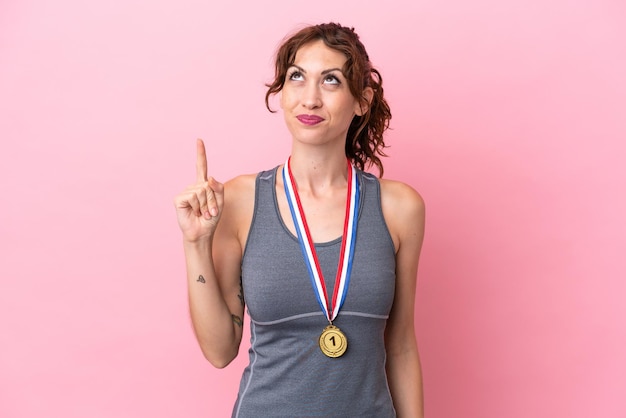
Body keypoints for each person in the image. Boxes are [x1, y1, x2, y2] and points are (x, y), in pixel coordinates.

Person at [174, 22, 425, 418]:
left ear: (362, 99)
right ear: (282, 91)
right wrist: (195, 244)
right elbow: (220, 351)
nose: (309, 99)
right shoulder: (240, 201)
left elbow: (401, 345)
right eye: (296, 77)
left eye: (330, 80)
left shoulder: (398, 207)